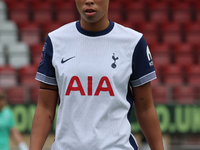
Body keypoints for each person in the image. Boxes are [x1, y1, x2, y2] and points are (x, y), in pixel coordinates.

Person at [30, 0, 164, 150]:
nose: (89, 1)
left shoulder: (133, 42)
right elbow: (45, 107)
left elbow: (145, 108)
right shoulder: (56, 41)